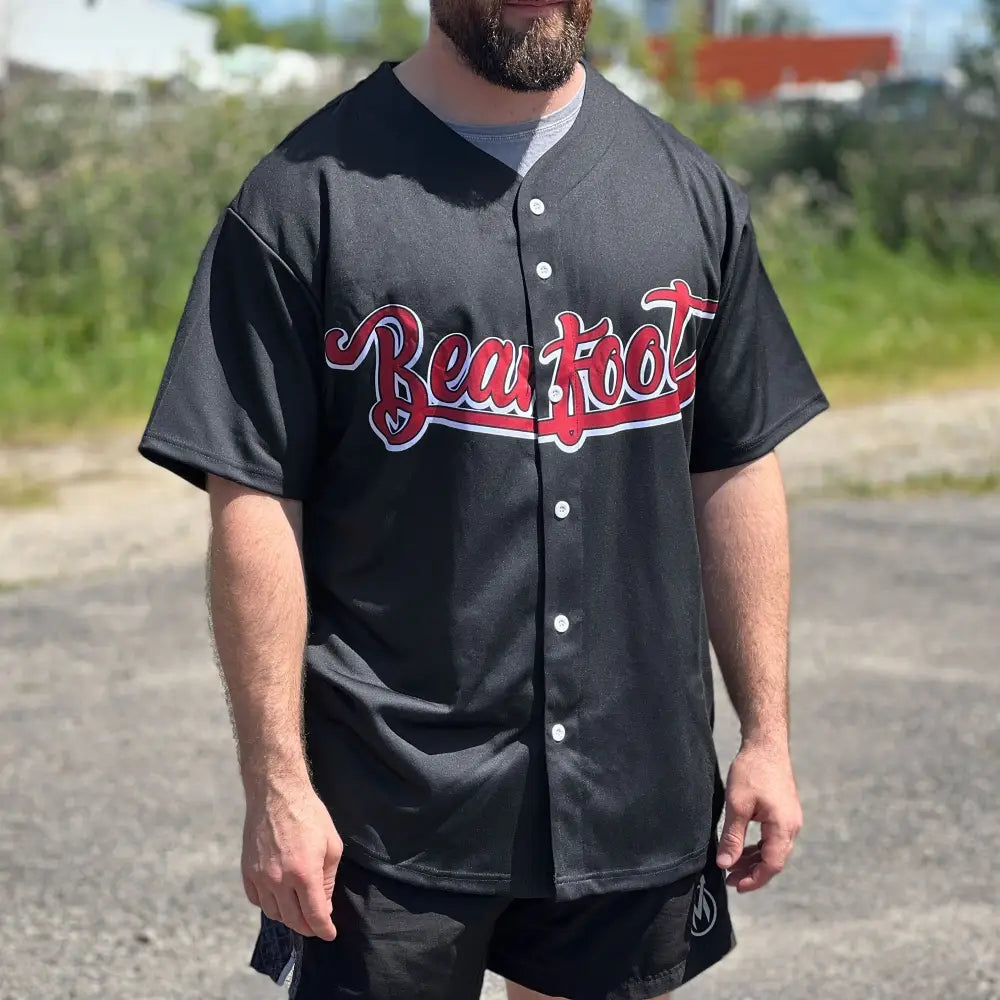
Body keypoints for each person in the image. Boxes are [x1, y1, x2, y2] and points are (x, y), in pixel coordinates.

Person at [139, 1, 828, 997]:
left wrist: (766, 733)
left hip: (631, 777)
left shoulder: (685, 190)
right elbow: (253, 498)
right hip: (389, 796)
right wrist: (277, 782)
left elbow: (732, 465)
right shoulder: (303, 198)